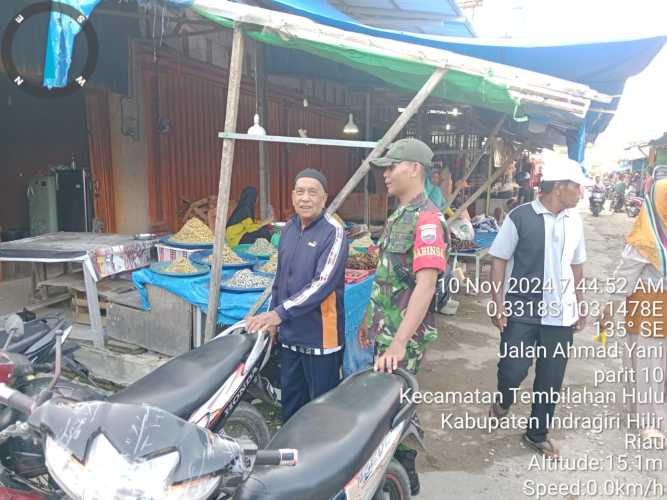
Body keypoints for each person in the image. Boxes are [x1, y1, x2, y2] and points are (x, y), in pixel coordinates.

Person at [358, 138, 448, 495]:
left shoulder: (427, 220)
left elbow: (425, 287)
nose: (385, 174)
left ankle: (403, 472)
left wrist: (398, 341)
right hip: (386, 329)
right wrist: (370, 318)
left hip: (403, 336)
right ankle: (393, 467)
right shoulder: (400, 213)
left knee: (396, 403)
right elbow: (388, 275)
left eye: (391, 166)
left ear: (414, 168)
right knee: (387, 401)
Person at [488, 156, 592, 459]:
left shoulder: (575, 221)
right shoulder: (520, 217)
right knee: (512, 368)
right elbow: (499, 259)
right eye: (578, 187)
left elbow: (576, 265)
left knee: (550, 378)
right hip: (522, 309)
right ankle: (504, 397)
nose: (581, 193)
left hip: (561, 315)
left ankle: (537, 433)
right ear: (560, 187)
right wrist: (498, 303)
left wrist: (581, 303)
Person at [246, 169, 347, 422]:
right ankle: (290, 451)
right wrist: (273, 320)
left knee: (322, 408)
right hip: (291, 335)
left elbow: (323, 283)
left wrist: (279, 313)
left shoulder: (333, 231)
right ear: (292, 196)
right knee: (291, 402)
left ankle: (322, 456)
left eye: (313, 192)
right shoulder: (288, 230)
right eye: (300, 191)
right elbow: (280, 280)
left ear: (324, 199)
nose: (305, 198)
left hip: (321, 337)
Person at [599, 179, 667, 442]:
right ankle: (648, 422)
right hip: (648, 309)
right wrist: (609, 312)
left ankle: (638, 410)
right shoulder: (643, 240)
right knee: (648, 366)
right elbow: (623, 279)